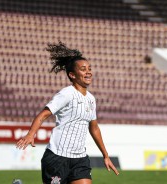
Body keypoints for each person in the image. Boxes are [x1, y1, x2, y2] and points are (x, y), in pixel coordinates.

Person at [16, 42, 119, 184]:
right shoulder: (66, 94)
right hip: (57, 158)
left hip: (80, 159)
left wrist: (105, 155)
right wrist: (30, 134)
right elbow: (43, 115)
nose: (88, 72)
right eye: (83, 69)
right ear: (72, 75)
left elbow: (94, 127)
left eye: (89, 68)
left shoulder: (91, 99)